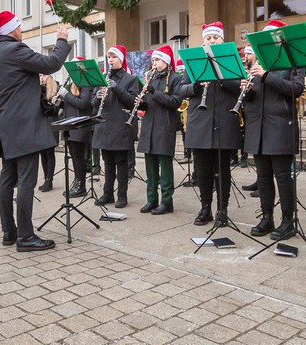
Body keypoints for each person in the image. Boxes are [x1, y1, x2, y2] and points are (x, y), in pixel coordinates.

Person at [0, 10, 71, 251]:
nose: (22, 29)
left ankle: (9, 232)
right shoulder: (15, 50)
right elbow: (52, 64)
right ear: (11, 29)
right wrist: (62, 39)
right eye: (19, 25)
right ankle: (25, 236)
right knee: (25, 180)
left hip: (7, 124)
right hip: (25, 125)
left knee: (7, 177)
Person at [241, 21, 306, 240]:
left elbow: (296, 90)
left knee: (283, 177)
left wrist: (266, 75)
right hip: (257, 127)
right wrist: (248, 91)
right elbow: (253, 100)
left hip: (280, 127)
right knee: (264, 176)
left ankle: (288, 221)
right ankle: (267, 217)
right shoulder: (257, 62)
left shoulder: (293, 61)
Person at [178, 22, 243, 227]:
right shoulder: (195, 61)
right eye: (208, 38)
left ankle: (222, 210)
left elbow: (239, 88)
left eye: (215, 38)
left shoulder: (229, 61)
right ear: (203, 41)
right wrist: (197, 85)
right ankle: (205, 207)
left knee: (222, 169)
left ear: (222, 41)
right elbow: (182, 90)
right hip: (200, 122)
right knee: (203, 169)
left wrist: (220, 77)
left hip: (224, 120)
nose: (212, 40)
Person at [91, 45, 141, 209]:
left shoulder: (130, 79)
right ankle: (107, 194)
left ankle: (122, 195)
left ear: (121, 59)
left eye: (113, 57)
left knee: (121, 163)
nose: (110, 60)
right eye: (109, 57)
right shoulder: (102, 77)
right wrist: (97, 97)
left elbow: (132, 102)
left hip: (120, 126)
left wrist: (116, 87)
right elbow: (92, 102)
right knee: (108, 162)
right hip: (104, 125)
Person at [136, 45, 183, 215]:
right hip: (149, 126)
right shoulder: (150, 77)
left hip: (165, 127)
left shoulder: (175, 79)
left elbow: (175, 102)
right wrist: (141, 102)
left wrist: (154, 92)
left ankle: (166, 201)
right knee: (150, 167)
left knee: (165, 167)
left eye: (157, 60)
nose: (153, 63)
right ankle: (151, 199)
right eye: (153, 60)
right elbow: (149, 104)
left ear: (166, 61)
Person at [56, 59, 94, 198]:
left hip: (80, 125)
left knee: (79, 157)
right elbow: (68, 105)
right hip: (69, 125)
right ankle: (77, 181)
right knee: (74, 156)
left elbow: (83, 104)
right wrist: (59, 101)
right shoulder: (72, 83)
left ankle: (81, 185)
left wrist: (66, 95)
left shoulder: (85, 82)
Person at [38, 73, 58, 191]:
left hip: (51, 124)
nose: (41, 78)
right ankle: (46, 178)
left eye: (44, 76)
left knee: (49, 153)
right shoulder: (38, 90)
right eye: (40, 76)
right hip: (41, 124)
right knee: (43, 153)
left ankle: (49, 180)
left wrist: (54, 102)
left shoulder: (55, 88)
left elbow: (55, 110)